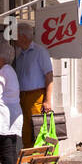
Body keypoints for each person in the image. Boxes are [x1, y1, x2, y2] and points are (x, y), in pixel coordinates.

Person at [14, 20, 55, 149]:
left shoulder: (40, 52)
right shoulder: (20, 55)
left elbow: (49, 76)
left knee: (37, 131)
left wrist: (48, 100)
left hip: (36, 96)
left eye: (16, 35)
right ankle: (28, 157)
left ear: (24, 37)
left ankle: (39, 160)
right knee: (26, 131)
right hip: (23, 97)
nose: (14, 39)